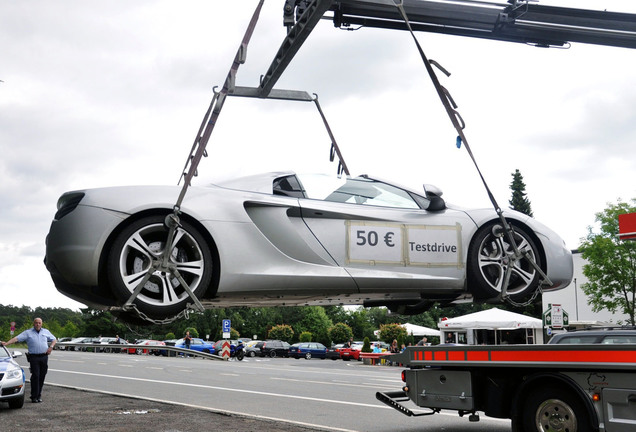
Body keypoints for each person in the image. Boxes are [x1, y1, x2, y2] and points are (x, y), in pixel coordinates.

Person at [1, 317, 57, 403]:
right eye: (36, 323)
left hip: (44, 357)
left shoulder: (46, 332)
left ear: (41, 324)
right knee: (36, 376)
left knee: (42, 376)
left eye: (39, 323)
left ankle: (39, 395)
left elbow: (54, 339)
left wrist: (51, 347)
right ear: (33, 324)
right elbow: (17, 338)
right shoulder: (28, 333)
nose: (37, 324)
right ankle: (34, 396)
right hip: (34, 357)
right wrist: (7, 343)